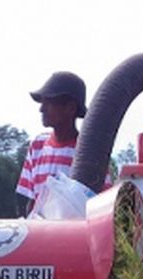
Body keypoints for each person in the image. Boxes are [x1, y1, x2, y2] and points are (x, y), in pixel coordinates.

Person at [15, 71, 87, 217]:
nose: (41, 109)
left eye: (49, 103)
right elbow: (30, 201)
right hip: (40, 234)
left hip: (73, 236)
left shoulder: (88, 152)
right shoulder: (37, 146)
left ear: (70, 108)